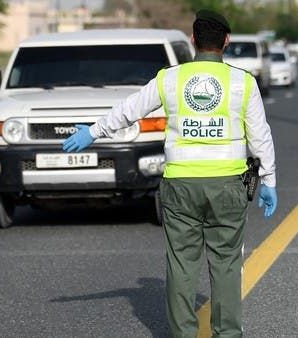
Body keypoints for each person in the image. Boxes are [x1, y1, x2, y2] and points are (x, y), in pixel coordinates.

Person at [63, 9, 277, 338]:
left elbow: (128, 110)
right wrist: (269, 181)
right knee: (227, 265)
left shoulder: (169, 79)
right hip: (229, 185)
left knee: (181, 265)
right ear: (227, 42)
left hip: (180, 186)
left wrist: (92, 132)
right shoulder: (242, 83)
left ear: (193, 40)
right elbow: (261, 137)